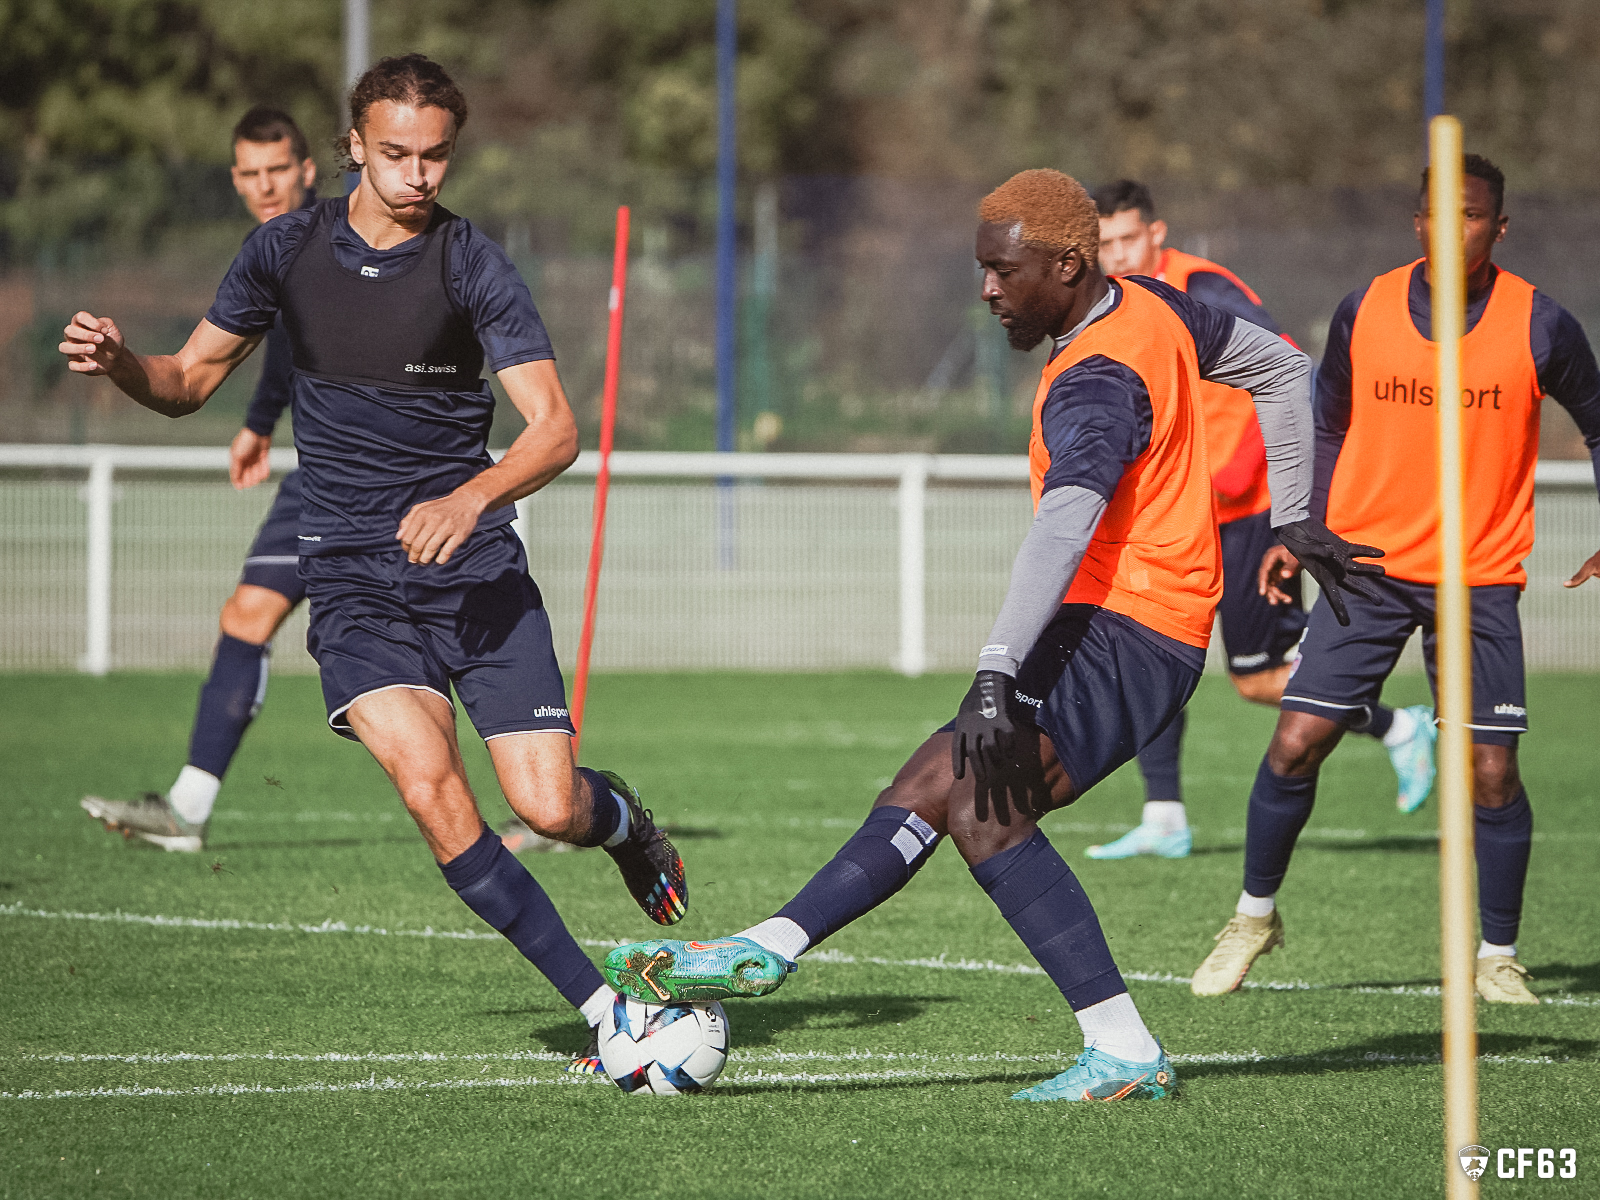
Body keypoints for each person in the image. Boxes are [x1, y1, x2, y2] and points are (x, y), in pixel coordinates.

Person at [593, 169, 1379, 1103]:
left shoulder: (1097, 380)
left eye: (1005, 272)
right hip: (1107, 620)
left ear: (1069, 264)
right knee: (933, 779)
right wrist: (1293, 514)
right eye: (982, 269)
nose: (988, 291)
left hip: (1136, 632)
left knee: (987, 811)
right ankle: (767, 949)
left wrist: (995, 669)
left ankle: (1123, 1051)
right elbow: (1285, 369)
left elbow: (1065, 525)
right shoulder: (1156, 306)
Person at [59, 54, 685, 1070]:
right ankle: (607, 1012)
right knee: (435, 793)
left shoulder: (470, 264)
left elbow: (556, 430)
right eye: (396, 153)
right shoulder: (283, 251)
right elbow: (185, 381)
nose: (418, 175)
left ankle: (620, 822)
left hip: (474, 571)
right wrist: (124, 363)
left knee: (546, 806)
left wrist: (471, 494)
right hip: (352, 579)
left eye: (436, 156)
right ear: (352, 147)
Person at [1190, 154, 1600, 1004]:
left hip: (1477, 577)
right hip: (1365, 570)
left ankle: (1498, 956)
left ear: (1500, 227)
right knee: (1296, 742)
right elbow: (1328, 424)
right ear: (1416, 223)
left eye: (1474, 215)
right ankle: (1254, 919)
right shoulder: (1365, 310)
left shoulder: (1541, 325)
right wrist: (1303, 530)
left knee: (1491, 774)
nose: (1455, 230)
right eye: (1439, 214)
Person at [1084, 180, 1436, 861]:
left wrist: (1267, 481)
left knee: (1259, 678)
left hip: (1245, 512)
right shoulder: (1111, 306)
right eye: (1104, 244)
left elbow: (1285, 368)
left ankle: (1398, 727)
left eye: (1126, 238)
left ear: (1156, 235)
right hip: (1175, 514)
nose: (1116, 254)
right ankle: (1163, 816)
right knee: (1150, 651)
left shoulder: (1202, 288)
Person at [79, 107, 321, 853]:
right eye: (248, 173)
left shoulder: (344, 242)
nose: (264, 185)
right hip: (320, 479)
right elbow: (277, 349)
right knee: (246, 615)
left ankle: (556, 802)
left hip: (397, 475)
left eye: (276, 169)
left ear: (308, 171)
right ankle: (188, 808)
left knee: (438, 644)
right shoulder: (270, 250)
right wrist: (258, 423)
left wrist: (257, 420)